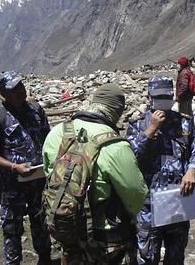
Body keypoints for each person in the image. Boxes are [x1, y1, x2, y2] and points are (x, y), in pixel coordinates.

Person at [43, 83, 148, 264]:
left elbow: (49, 174)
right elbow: (136, 195)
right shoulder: (115, 145)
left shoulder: (57, 133)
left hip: (68, 228)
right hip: (106, 238)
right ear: (117, 111)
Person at [126, 76, 195, 264]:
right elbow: (129, 159)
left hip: (178, 199)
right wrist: (150, 131)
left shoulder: (184, 122)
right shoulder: (137, 124)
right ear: (149, 96)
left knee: (175, 256)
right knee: (147, 257)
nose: (164, 100)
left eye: (167, 96)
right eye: (159, 96)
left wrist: (192, 171)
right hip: (149, 205)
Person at [0, 72, 52, 265]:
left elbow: (48, 139)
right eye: (15, 89)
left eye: (21, 86)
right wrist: (13, 166)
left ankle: (44, 258)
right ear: (3, 93)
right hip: (11, 185)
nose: (21, 91)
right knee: (12, 228)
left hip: (38, 181)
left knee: (41, 222)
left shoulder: (36, 110)